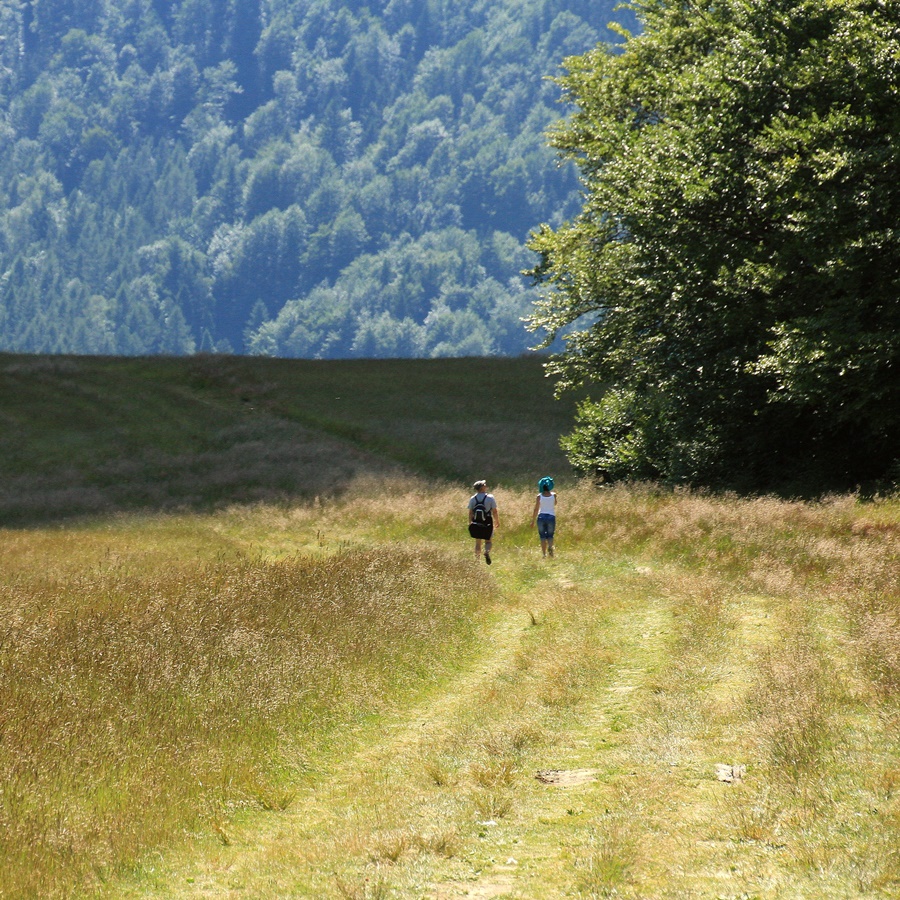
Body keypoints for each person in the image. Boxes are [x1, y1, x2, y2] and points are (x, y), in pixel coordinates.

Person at [468, 479, 499, 564]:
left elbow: (470, 512)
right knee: (488, 541)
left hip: (476, 521)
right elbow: (494, 511)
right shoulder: (490, 497)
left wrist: (470, 522)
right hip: (487, 521)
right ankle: (487, 552)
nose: (486, 485)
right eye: (485, 484)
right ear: (482, 488)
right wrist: (497, 521)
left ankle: (477, 561)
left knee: (478, 542)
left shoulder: (473, 498)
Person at [530, 476, 557, 558]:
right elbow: (555, 503)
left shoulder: (539, 496)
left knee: (542, 536)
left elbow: (536, 509)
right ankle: (550, 547)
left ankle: (544, 554)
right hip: (551, 516)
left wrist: (533, 520)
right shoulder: (554, 495)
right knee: (550, 535)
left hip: (541, 516)